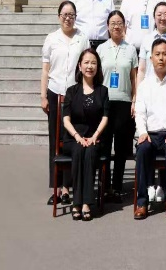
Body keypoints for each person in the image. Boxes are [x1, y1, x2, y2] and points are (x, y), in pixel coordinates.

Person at [42, 0, 89, 206]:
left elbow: (87, 66)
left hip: (75, 94)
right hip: (55, 92)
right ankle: (57, 187)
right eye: (64, 15)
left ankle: (68, 187)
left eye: (71, 15)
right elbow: (45, 70)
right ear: (59, 16)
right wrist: (43, 95)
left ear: (75, 17)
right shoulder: (51, 39)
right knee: (55, 139)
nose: (68, 18)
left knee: (71, 139)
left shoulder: (82, 38)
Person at [133, 39, 166, 220]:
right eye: (157, 54)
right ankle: (142, 202)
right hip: (150, 134)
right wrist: (142, 132)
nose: (161, 58)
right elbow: (140, 112)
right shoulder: (144, 85)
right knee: (142, 149)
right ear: (151, 58)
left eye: (164, 54)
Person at [61, 48, 109, 221]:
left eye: (93, 63)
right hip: (73, 138)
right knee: (79, 149)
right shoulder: (71, 91)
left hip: (95, 138)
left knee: (89, 152)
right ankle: (77, 202)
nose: (90, 66)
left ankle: (86, 203)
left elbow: (105, 117)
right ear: (80, 66)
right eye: (86, 62)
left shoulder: (103, 91)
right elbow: (66, 120)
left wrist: (95, 136)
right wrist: (77, 137)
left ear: (98, 67)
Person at [97, 10, 137, 200]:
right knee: (104, 146)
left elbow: (134, 77)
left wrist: (135, 99)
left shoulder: (131, 49)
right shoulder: (101, 49)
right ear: (107, 26)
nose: (116, 26)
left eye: (119, 23)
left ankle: (117, 186)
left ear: (125, 26)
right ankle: (104, 187)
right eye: (113, 23)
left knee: (121, 148)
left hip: (124, 102)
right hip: (105, 103)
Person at [138, 2, 166, 79]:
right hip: (150, 85)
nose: (163, 18)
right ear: (154, 17)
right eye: (159, 15)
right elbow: (141, 70)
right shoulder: (146, 39)